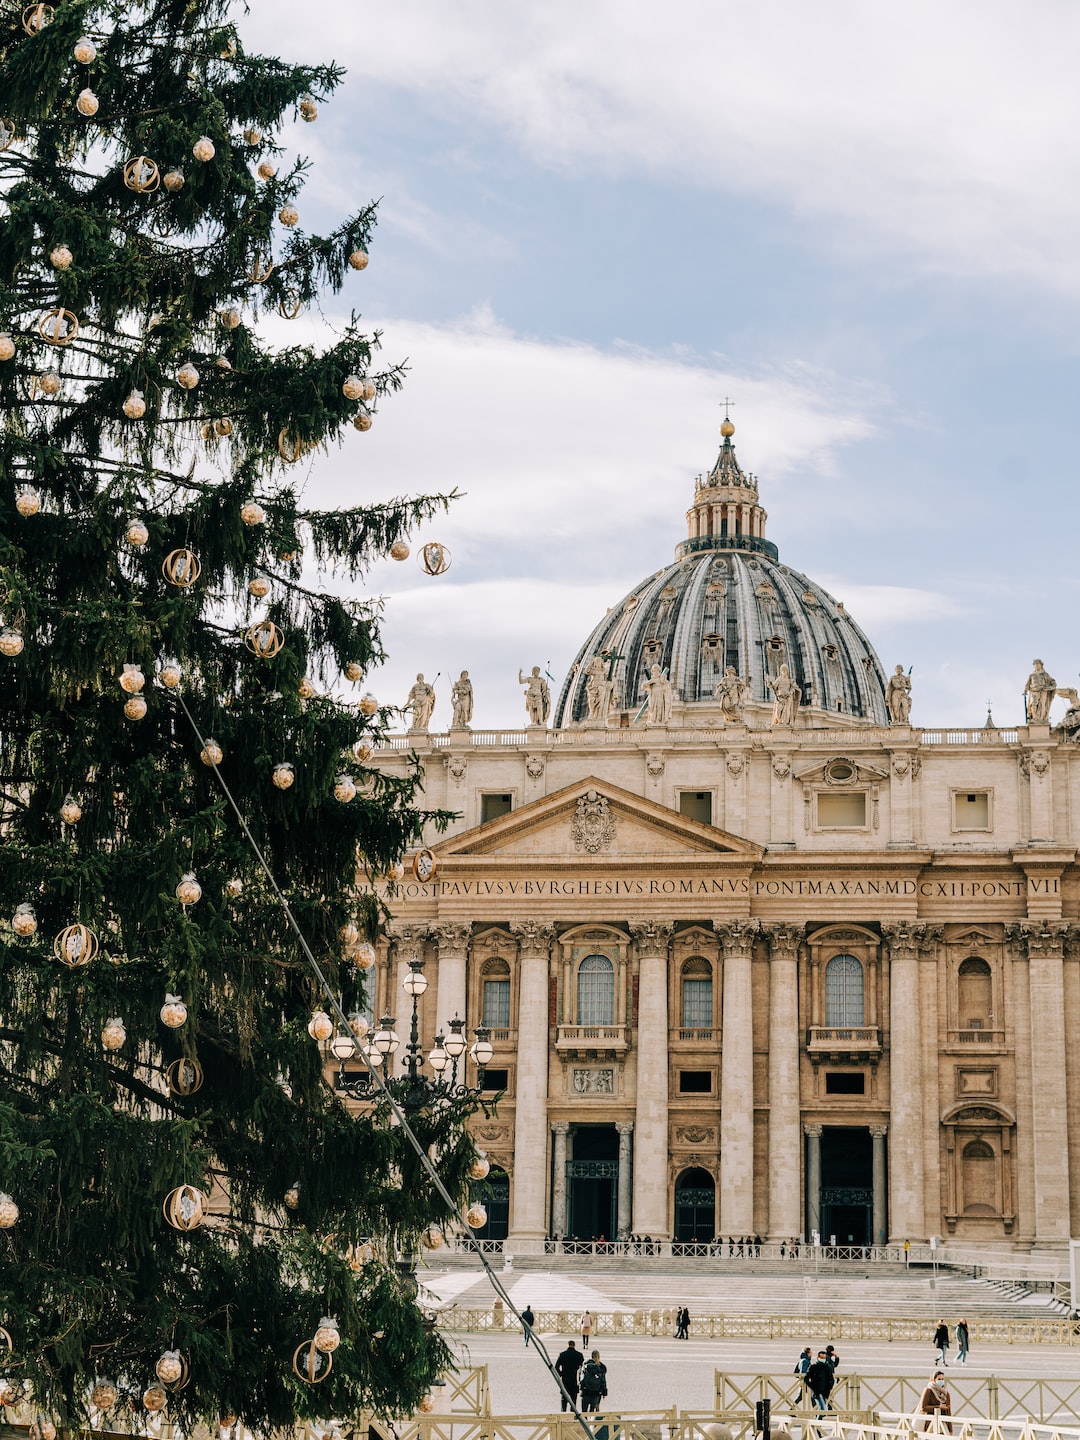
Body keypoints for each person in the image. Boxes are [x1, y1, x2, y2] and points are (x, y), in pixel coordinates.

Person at [554, 1340, 583, 1412]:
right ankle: (572, 1415)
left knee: (564, 1400)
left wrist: (561, 1374)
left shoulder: (562, 1354)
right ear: (574, 1346)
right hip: (574, 1379)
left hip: (565, 1380)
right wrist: (580, 1377)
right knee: (573, 1401)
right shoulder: (579, 1355)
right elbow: (582, 1368)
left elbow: (556, 1367)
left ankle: (563, 1414)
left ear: (567, 1345)